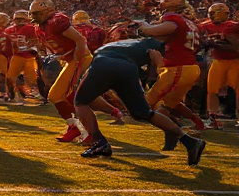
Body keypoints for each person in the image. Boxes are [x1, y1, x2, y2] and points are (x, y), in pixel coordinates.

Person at [75, 33, 205, 164]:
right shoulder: (153, 44)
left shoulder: (140, 43)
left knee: (80, 102)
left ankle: (99, 142)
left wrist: (160, 67)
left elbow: (157, 58)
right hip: (127, 68)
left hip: (104, 62)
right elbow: (156, 59)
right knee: (143, 113)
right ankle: (189, 141)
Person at [138, 0, 207, 132]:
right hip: (188, 67)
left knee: (149, 102)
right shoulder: (189, 22)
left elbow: (153, 31)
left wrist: (143, 25)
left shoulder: (174, 19)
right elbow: (167, 37)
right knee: (171, 102)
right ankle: (197, 122)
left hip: (178, 68)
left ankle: (174, 133)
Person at [30, 0, 92, 143]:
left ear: (47, 11)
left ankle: (89, 131)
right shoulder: (40, 28)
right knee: (55, 96)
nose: (34, 17)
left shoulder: (56, 22)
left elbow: (80, 40)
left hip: (80, 58)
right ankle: (75, 126)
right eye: (33, 14)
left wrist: (76, 58)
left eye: (37, 13)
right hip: (70, 61)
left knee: (70, 96)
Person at [199, 2, 239, 128]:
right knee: (212, 90)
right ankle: (213, 119)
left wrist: (213, 44)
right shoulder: (205, 25)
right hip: (218, 61)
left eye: (213, 13)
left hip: (234, 61)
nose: (210, 15)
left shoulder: (232, 26)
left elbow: (235, 47)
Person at [4, 10, 41, 102]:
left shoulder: (31, 28)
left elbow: (38, 40)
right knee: (10, 78)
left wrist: (33, 46)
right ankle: (11, 94)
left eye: (21, 19)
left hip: (30, 56)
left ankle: (39, 93)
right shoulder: (9, 30)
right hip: (17, 55)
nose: (19, 21)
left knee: (33, 78)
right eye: (17, 19)